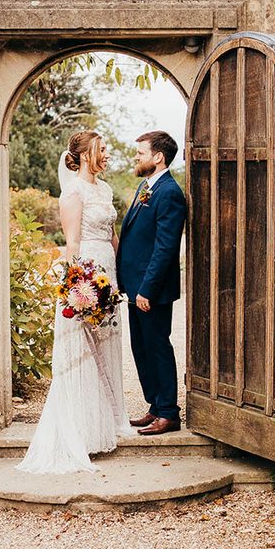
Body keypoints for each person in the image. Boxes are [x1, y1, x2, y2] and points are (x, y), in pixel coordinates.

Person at [16, 130, 132, 475]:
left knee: (106, 349)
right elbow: (72, 243)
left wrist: (119, 278)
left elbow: (112, 236)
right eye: (102, 149)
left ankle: (106, 423)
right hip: (85, 279)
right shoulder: (73, 192)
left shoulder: (106, 189)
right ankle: (80, 431)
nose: (107, 154)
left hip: (107, 276)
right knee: (83, 355)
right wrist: (77, 289)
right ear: (84, 155)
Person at [117, 131, 186, 435]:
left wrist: (148, 288)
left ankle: (169, 413)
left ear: (158, 157)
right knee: (141, 347)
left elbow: (165, 247)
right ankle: (155, 406)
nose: (136, 157)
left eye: (141, 153)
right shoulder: (146, 186)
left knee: (157, 346)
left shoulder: (169, 192)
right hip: (136, 287)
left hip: (151, 290)